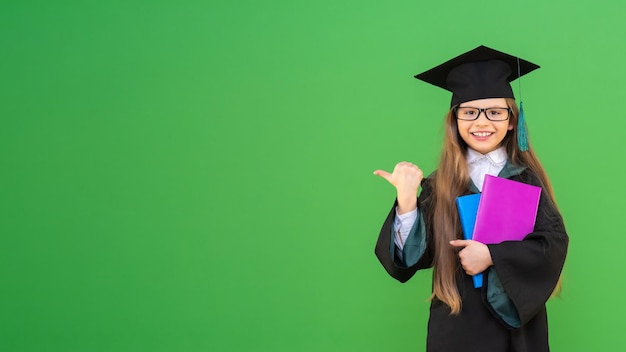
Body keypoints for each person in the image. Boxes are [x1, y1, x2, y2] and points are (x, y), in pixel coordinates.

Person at [373, 46, 569, 352]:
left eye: (494, 112)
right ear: (455, 120)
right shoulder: (440, 183)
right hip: (456, 324)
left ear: (512, 120)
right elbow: (409, 261)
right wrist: (407, 200)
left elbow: (553, 244)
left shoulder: (526, 178)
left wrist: (492, 255)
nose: (481, 123)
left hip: (516, 329)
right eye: (469, 112)